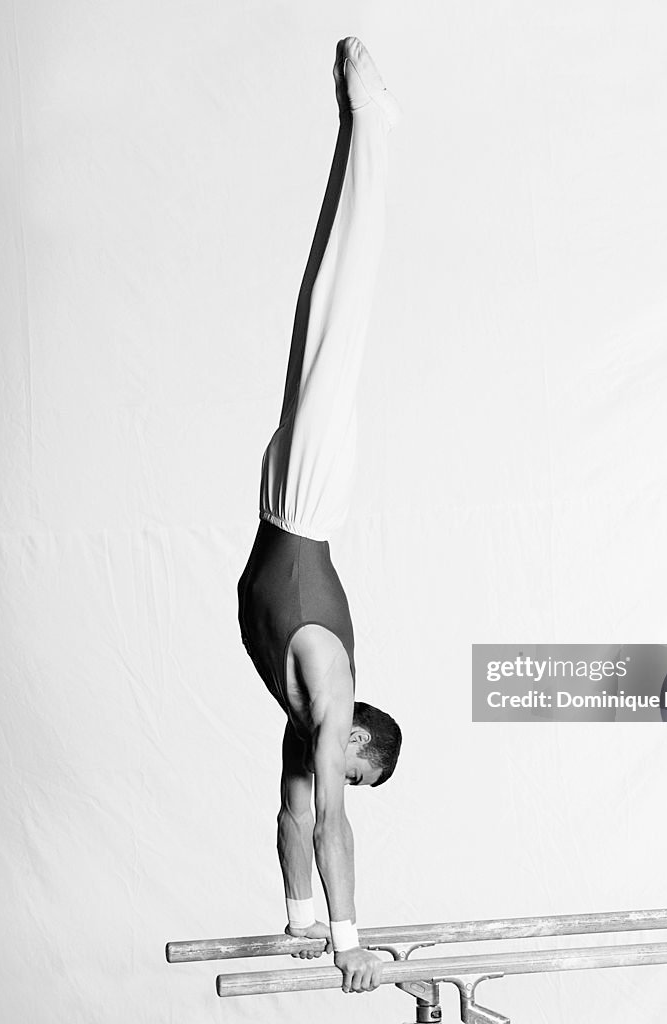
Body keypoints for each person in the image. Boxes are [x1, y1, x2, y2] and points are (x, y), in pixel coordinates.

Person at [236, 37, 403, 995]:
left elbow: (297, 821)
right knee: (340, 306)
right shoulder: (330, 698)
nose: (346, 787)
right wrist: (351, 944)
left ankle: (361, 127)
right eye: (359, 773)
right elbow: (328, 821)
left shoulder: (307, 731)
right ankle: (368, 123)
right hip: (301, 502)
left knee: (325, 308)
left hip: (284, 507)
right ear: (358, 745)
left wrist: (302, 922)